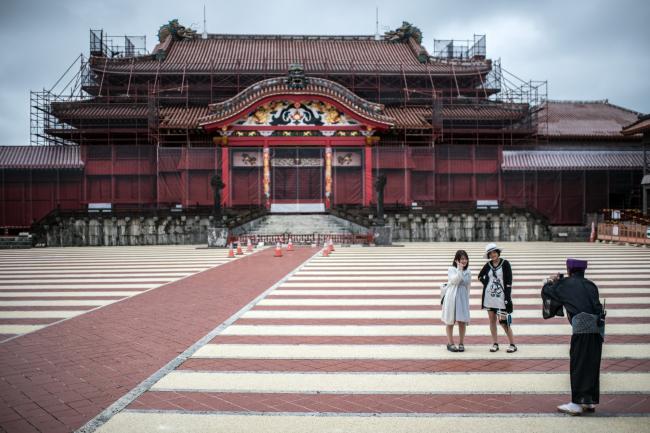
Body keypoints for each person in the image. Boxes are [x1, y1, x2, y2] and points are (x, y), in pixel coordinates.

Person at [541, 258, 604, 415]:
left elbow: (548, 292)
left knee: (578, 365)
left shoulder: (565, 284)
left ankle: (576, 403)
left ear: (569, 270)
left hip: (581, 330)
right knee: (592, 365)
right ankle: (588, 401)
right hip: (597, 329)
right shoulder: (591, 284)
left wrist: (550, 281)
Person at [478, 243, 517, 353]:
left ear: (498, 253)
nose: (493, 255)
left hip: (502, 298)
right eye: (490, 254)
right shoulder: (488, 265)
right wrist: (486, 282)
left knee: (503, 321)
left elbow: (509, 282)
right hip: (489, 297)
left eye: (494, 252)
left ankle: (512, 344)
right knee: (492, 320)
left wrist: (508, 298)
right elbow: (480, 276)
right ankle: (495, 343)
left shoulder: (505, 264)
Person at [441, 250, 472, 352]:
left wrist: (467, 300)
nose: (464, 260)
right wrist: (459, 270)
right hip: (452, 297)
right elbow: (455, 281)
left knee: (462, 321)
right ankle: (450, 343)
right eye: (461, 259)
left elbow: (468, 286)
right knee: (450, 321)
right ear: (456, 260)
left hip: (462, 298)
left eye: (465, 258)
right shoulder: (451, 269)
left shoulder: (468, 271)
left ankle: (461, 343)